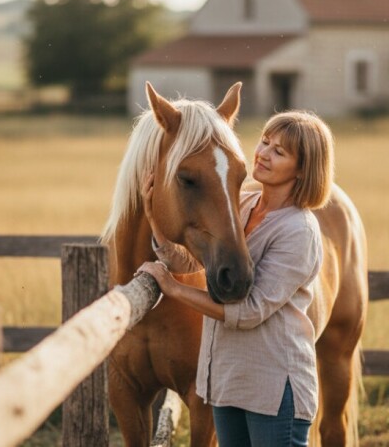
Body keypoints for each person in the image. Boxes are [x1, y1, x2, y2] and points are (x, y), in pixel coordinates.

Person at [137, 111, 335, 447]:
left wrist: (173, 289)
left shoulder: (298, 231)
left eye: (280, 152)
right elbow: (194, 262)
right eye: (265, 142)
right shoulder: (242, 205)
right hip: (228, 382)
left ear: (303, 169)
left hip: (273, 390)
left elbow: (250, 312)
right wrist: (154, 217)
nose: (263, 153)